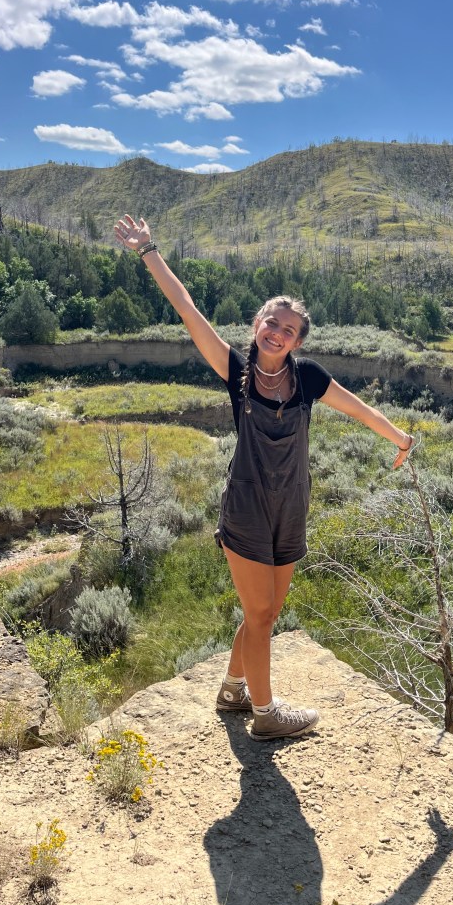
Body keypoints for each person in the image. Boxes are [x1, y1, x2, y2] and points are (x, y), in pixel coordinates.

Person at [114, 215, 415, 741]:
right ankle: (266, 712)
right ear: (257, 324)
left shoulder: (308, 378)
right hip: (248, 507)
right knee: (258, 613)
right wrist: (149, 251)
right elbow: (188, 310)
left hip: (291, 506)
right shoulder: (236, 371)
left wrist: (401, 439)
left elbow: (360, 409)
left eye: (288, 330)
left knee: (267, 612)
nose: (277, 333)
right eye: (272, 323)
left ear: (297, 341)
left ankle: (233, 689)